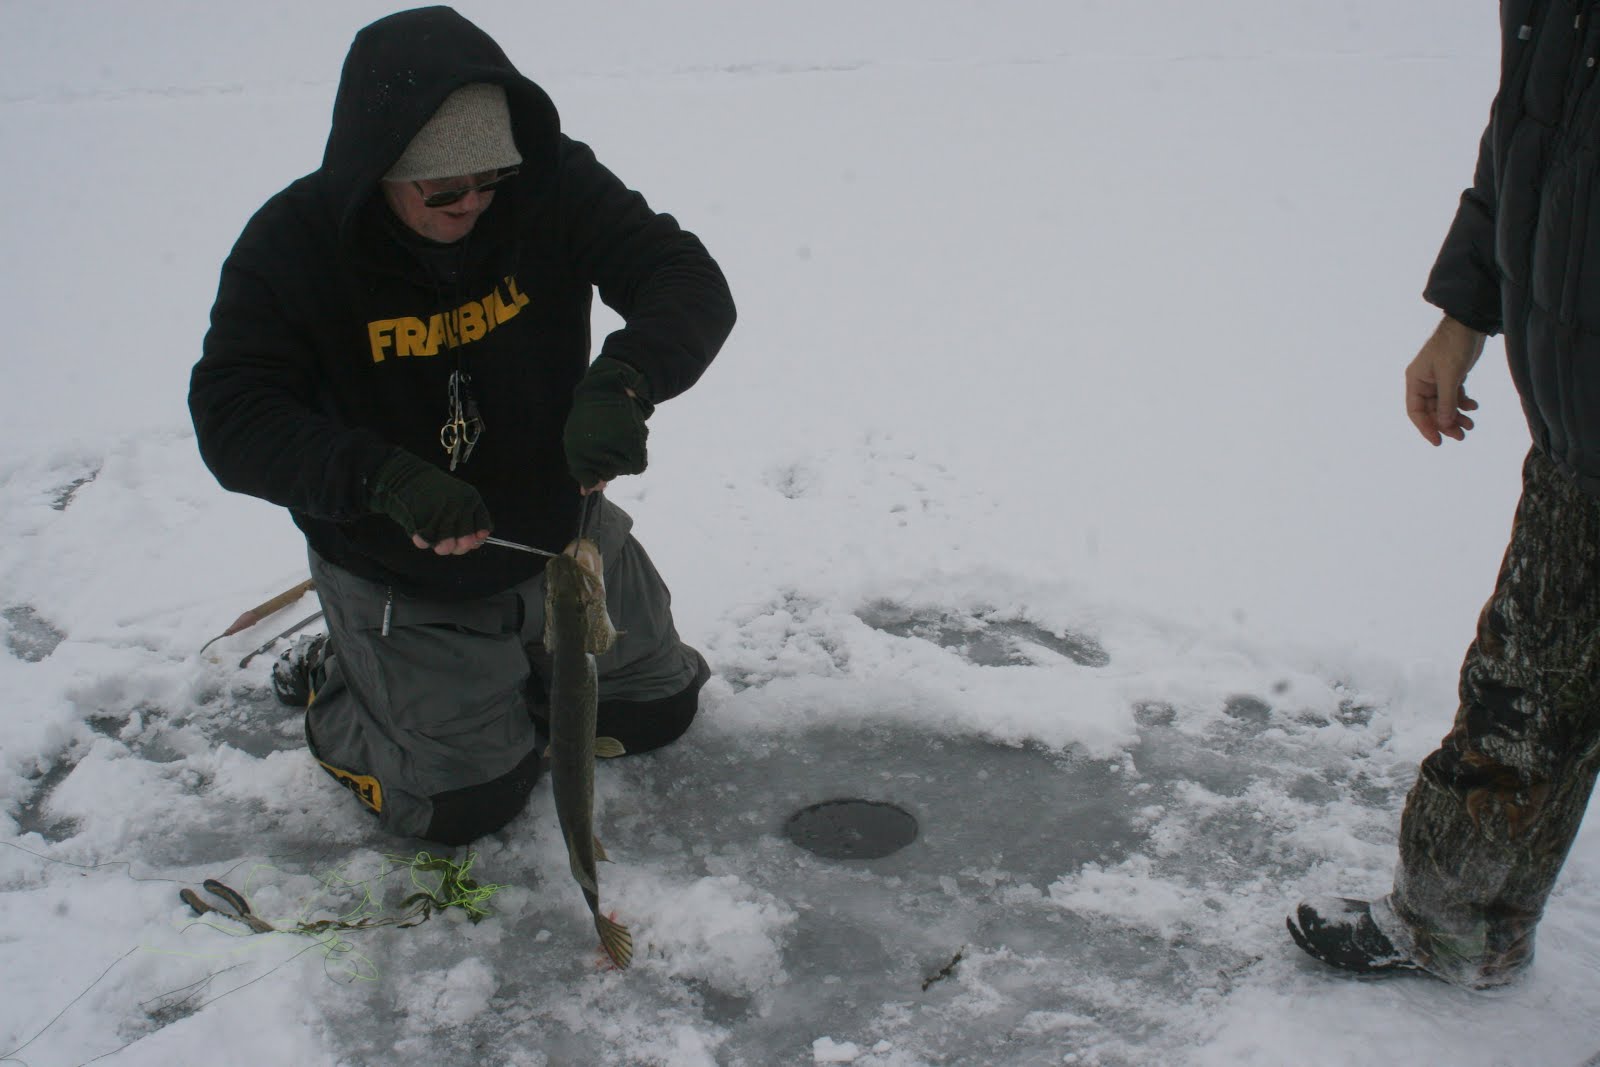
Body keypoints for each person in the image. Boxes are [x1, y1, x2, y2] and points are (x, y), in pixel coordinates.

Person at [189, 6, 735, 845]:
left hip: (561, 542)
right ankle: (344, 678)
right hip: (404, 574)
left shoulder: (549, 183)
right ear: (380, 172)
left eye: (492, 181)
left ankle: (492, 680)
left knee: (657, 711)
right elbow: (232, 412)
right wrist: (379, 478)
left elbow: (683, 276)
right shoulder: (292, 247)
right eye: (446, 190)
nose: (475, 203)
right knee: (465, 804)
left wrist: (628, 380)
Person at [1287, 4, 1600, 989]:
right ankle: (1460, 927)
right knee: (1524, 699)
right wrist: (1463, 312)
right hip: (1577, 429)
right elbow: (1529, 131)